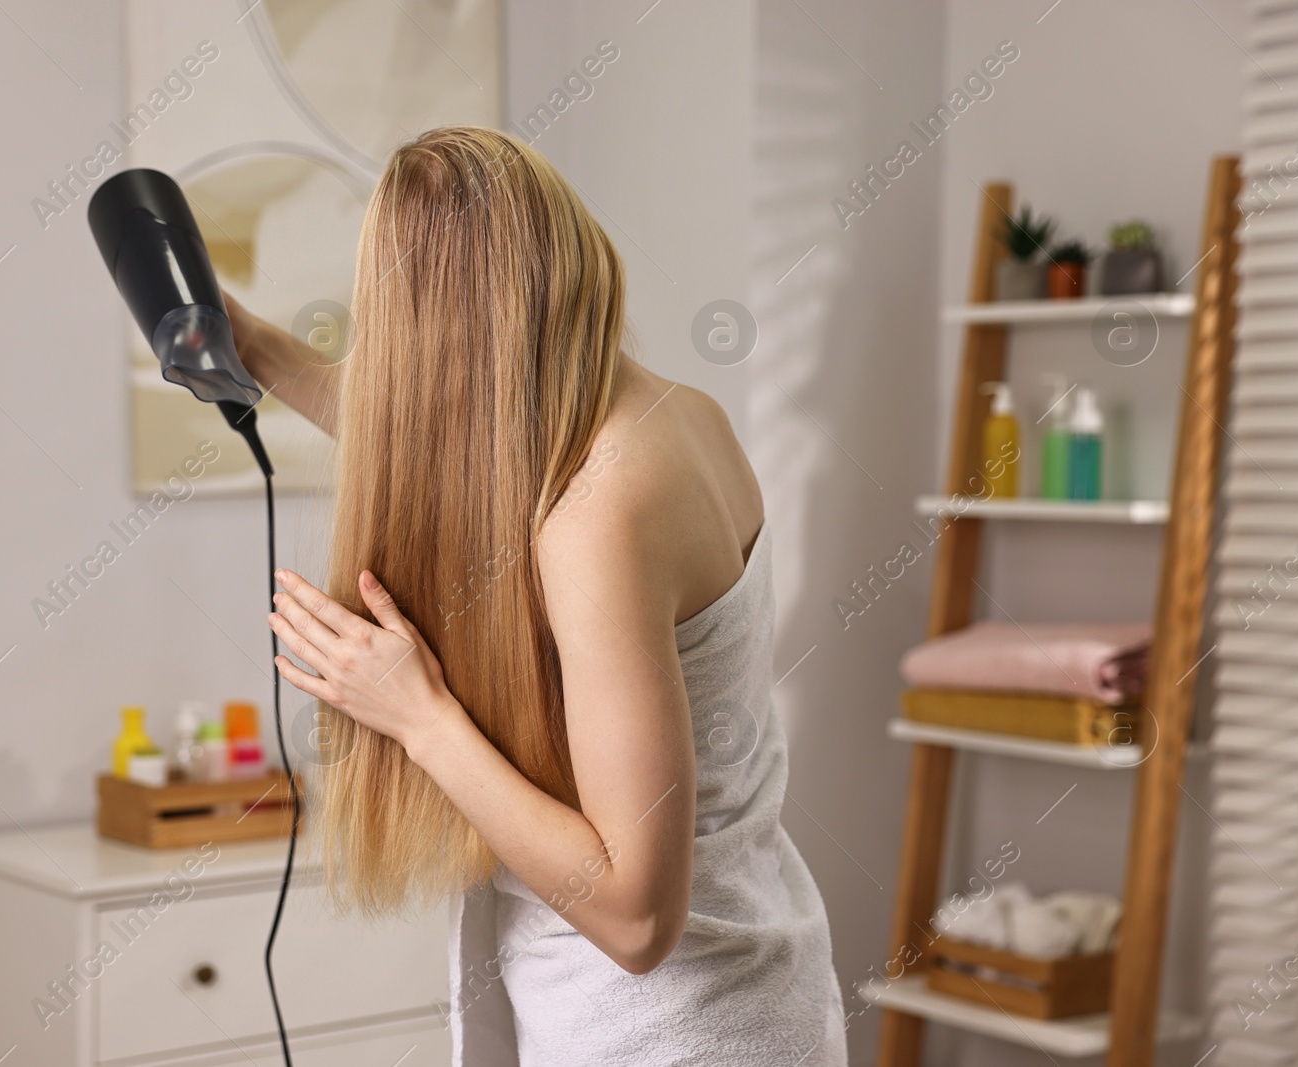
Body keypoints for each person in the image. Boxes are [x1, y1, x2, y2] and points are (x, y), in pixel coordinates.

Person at [223, 126, 845, 1067]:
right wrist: (260, 349)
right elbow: (447, 422)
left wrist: (418, 713)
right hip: (754, 997)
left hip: (672, 1034)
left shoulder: (599, 511)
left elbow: (638, 915)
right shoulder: (673, 417)